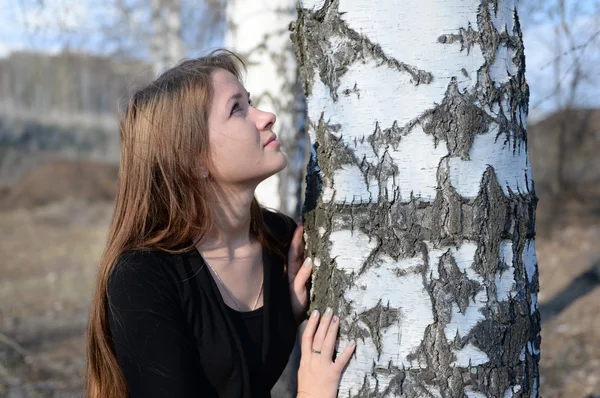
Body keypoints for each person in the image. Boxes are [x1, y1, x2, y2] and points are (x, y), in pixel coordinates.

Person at [84, 49, 356, 398]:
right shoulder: (142, 277)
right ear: (193, 157)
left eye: (251, 102)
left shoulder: (281, 243)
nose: (267, 117)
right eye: (237, 109)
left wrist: (284, 314)